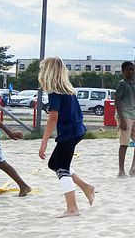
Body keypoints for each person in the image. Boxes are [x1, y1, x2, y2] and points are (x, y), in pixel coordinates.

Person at [37, 57, 95, 217]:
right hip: (76, 131)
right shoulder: (68, 90)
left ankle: (72, 208)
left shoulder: (55, 93)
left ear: (47, 72)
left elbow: (52, 118)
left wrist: (44, 143)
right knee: (54, 163)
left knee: (61, 168)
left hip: (69, 134)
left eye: (42, 69)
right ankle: (86, 187)